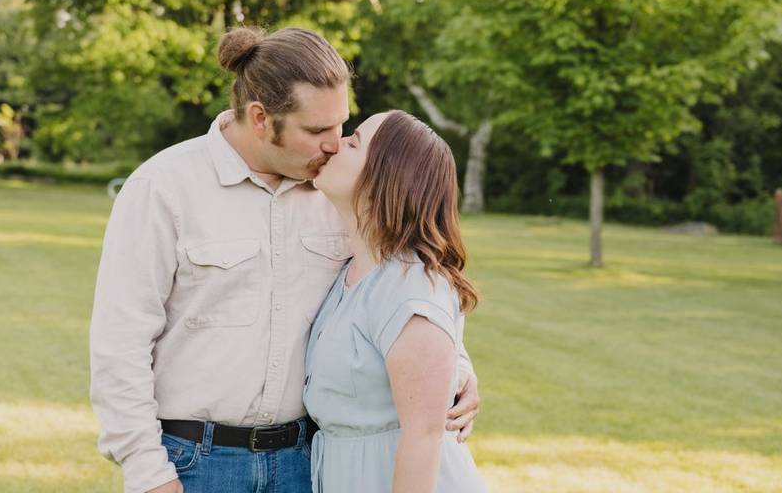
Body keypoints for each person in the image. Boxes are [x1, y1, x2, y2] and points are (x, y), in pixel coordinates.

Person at [89, 26, 481, 493]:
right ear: (260, 118)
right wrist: (147, 470)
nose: (335, 143)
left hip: (308, 463)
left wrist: (456, 365)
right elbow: (120, 345)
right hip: (194, 463)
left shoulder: (341, 193)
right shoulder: (163, 189)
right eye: (317, 130)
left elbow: (404, 283)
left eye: (343, 125)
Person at [305, 110, 488, 492]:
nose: (335, 145)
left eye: (353, 143)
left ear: (383, 179)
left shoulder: (412, 286)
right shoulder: (352, 273)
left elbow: (423, 436)